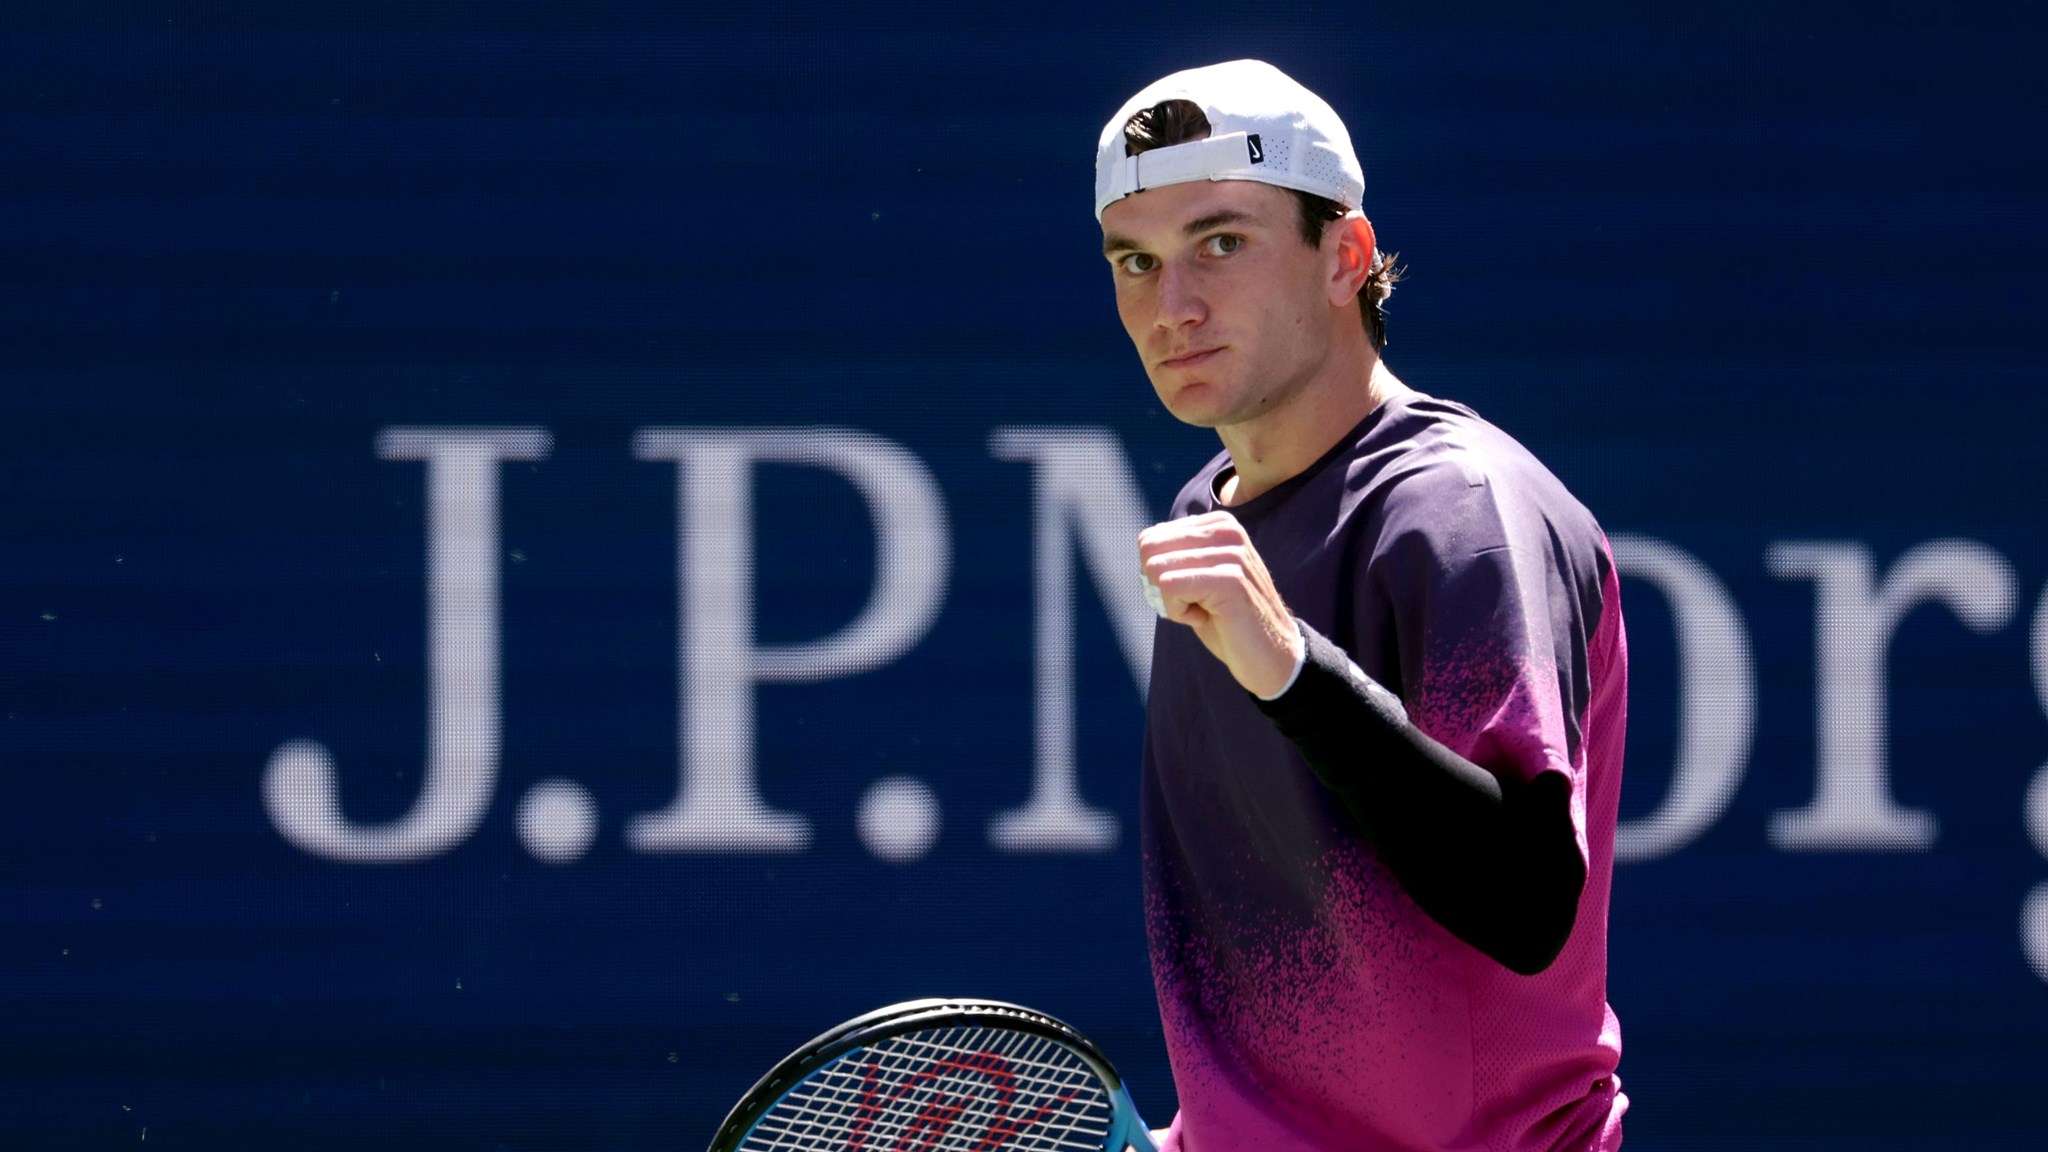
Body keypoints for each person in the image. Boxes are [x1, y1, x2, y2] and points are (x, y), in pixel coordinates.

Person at [1098, 61, 1628, 1151]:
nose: (1173, 304)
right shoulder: (1208, 512)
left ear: (1343, 257)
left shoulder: (1460, 512)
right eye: (1135, 262)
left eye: (1220, 244)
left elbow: (1525, 905)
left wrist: (1292, 669)